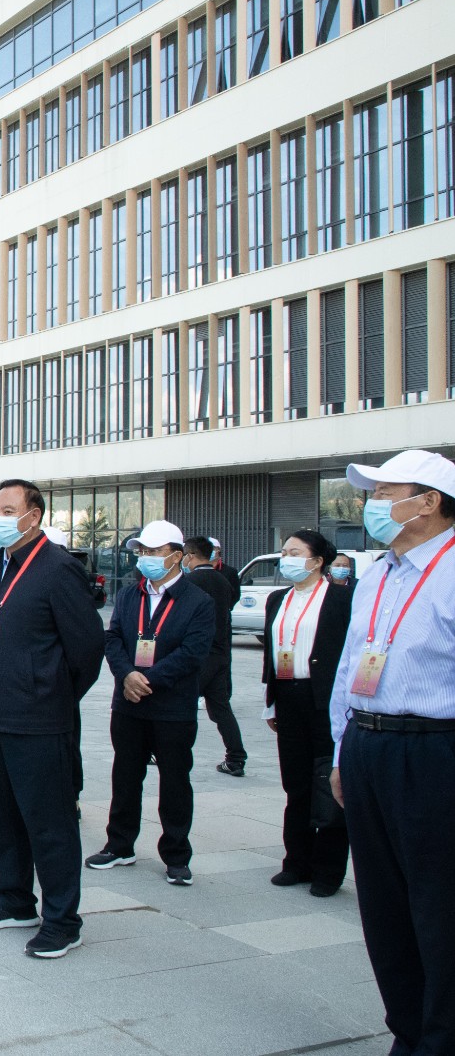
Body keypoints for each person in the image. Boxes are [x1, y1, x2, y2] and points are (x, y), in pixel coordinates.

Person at [329, 449, 455, 1056]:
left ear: (427, 502)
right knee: (384, 907)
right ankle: (408, 1031)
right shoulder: (378, 572)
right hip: (367, 744)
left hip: (433, 751)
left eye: (384, 493)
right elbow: (350, 667)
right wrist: (340, 750)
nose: (371, 505)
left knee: (439, 906)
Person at [0, 479, 105, 960]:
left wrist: (50, 692)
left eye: (8, 510)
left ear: (34, 515)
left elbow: (87, 648)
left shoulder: (58, 569)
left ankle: (63, 920)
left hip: (39, 719)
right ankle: (15, 898)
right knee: (2, 817)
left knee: (49, 823)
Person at [86, 521, 215, 886]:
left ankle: (176, 855)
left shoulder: (198, 601)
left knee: (175, 781)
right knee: (125, 776)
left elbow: (193, 653)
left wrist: (148, 680)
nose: (145, 558)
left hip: (172, 707)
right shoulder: (131, 595)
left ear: (177, 556)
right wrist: (127, 675)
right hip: (128, 703)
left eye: (154, 552)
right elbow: (113, 638)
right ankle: (119, 845)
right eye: (142, 551)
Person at [261, 529, 352, 897]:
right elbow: (271, 653)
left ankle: (328, 870)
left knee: (327, 783)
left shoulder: (340, 599)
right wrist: (270, 701)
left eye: (295, 552)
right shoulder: (277, 599)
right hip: (288, 696)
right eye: (284, 552)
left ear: (317, 561)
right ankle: (296, 861)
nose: (287, 559)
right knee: (295, 784)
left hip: (325, 700)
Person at [180, 537, 246, 777]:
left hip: (198, 654)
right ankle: (236, 758)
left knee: (180, 704)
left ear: (190, 555)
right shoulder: (223, 580)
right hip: (220, 652)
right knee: (220, 709)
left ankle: (167, 750)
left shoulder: (189, 582)